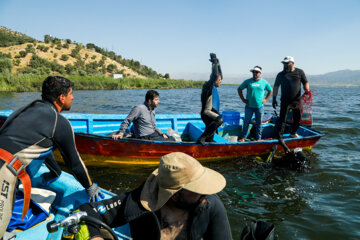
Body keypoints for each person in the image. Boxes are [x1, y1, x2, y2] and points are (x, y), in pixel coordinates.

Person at [0, 76, 103, 237]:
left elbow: (42, 144)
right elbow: (74, 163)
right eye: (71, 94)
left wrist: (55, 172)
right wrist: (90, 187)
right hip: (4, 174)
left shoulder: (25, 109)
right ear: (61, 98)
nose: (73, 98)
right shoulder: (59, 122)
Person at [75, 152, 232, 240]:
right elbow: (86, 212)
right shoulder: (139, 202)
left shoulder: (209, 204)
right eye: (195, 189)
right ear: (174, 195)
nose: (204, 193)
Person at [272, 56, 310, 139]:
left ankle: (293, 133)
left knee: (298, 118)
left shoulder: (299, 72)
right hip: (285, 101)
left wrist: (306, 89)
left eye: (286, 63)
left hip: (297, 100)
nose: (284, 65)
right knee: (282, 119)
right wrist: (274, 99)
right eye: (283, 63)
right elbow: (276, 87)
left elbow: (305, 82)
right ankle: (280, 136)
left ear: (292, 63)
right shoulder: (280, 74)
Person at [238, 66, 273, 141]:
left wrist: (266, 99)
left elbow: (270, 90)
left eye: (256, 72)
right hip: (249, 107)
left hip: (259, 107)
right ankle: (243, 137)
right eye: (253, 72)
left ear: (260, 73)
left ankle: (258, 138)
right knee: (246, 123)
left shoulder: (264, 82)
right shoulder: (248, 81)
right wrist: (243, 99)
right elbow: (239, 89)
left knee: (259, 124)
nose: (255, 73)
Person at [197, 53, 224, 145]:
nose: (220, 81)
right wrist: (214, 62)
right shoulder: (208, 85)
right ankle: (201, 138)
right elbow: (216, 74)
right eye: (219, 80)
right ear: (215, 79)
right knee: (220, 120)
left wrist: (218, 61)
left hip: (212, 113)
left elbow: (219, 74)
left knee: (211, 137)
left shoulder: (214, 86)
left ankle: (205, 146)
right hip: (207, 113)